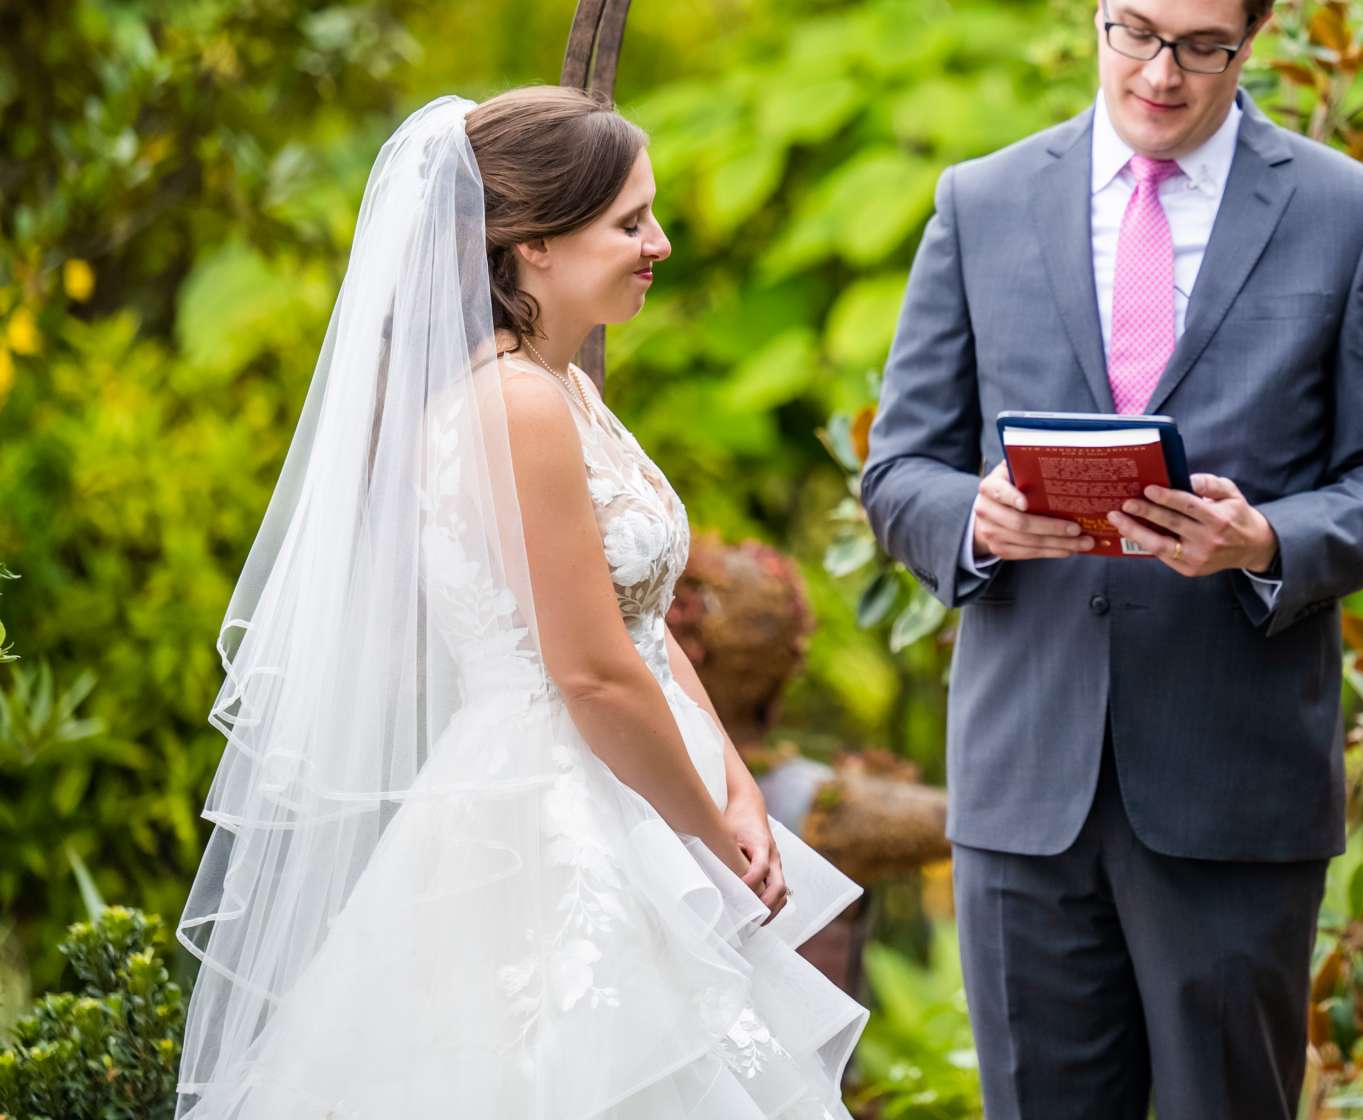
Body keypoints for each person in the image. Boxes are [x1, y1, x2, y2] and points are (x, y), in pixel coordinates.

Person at [862, 0, 1363, 1119]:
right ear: (1096, 2)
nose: (1159, 75)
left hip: (1233, 788)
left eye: (1201, 47)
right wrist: (973, 514)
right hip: (1025, 785)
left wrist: (1265, 539)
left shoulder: (1354, 218)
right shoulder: (981, 203)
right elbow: (897, 467)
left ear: (1258, 35)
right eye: (1134, 34)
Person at [176, 88, 864, 1118]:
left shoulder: (562, 385)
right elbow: (587, 674)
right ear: (534, 245)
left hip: (645, 782)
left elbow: (638, 615)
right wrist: (709, 844)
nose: (659, 242)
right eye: (631, 220)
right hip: (556, 817)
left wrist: (735, 785)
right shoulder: (515, 405)